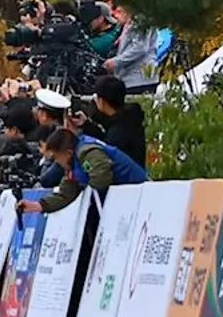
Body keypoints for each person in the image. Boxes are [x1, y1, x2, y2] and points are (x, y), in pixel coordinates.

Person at [19, 127, 148, 215]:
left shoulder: (87, 152)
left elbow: (101, 177)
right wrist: (38, 206)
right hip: (128, 201)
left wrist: (85, 187)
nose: (56, 163)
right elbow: (66, 194)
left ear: (68, 153)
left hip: (140, 195)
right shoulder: (73, 165)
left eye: (56, 158)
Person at [88, 76, 148, 175]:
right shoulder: (130, 119)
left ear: (102, 101)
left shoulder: (118, 132)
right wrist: (87, 125)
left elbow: (108, 149)